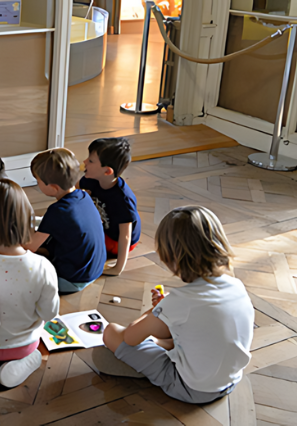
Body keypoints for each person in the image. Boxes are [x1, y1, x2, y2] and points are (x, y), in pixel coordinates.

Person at [102, 206, 254, 404]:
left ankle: (146, 367)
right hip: (230, 380)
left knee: (112, 332)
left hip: (192, 389)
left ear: (172, 257)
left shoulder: (181, 299)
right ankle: (162, 349)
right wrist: (165, 312)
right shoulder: (237, 285)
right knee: (176, 330)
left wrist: (155, 310)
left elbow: (130, 337)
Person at [0, 179, 58, 391]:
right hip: (22, 345)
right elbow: (50, 313)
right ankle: (27, 361)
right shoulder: (42, 267)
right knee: (34, 343)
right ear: (26, 218)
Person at [23, 148, 105, 294]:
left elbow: (30, 247)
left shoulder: (57, 211)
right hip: (95, 270)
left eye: (38, 181)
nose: (37, 184)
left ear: (53, 188)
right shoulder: (83, 196)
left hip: (72, 280)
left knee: (21, 270)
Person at [79, 138, 141, 276]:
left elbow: (125, 236)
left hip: (116, 240)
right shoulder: (91, 179)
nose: (84, 162)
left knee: (79, 240)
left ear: (107, 171)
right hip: (105, 228)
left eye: (91, 161)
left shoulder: (123, 199)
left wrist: (117, 268)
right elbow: (72, 191)